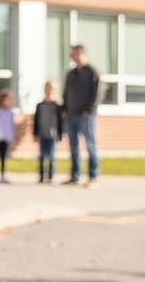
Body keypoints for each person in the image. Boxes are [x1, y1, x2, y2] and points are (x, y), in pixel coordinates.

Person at [62, 43, 102, 187]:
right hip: (71, 114)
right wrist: (64, 108)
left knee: (90, 145)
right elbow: (66, 93)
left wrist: (89, 109)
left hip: (86, 115)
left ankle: (93, 177)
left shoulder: (92, 71)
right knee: (73, 146)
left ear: (81, 53)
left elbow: (97, 93)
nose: (72, 56)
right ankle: (75, 176)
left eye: (73, 53)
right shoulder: (71, 73)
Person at [34, 80, 64, 184]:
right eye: (47, 88)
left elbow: (60, 121)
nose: (49, 91)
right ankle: (41, 176)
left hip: (52, 134)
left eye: (51, 89)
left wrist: (60, 134)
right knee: (42, 156)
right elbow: (36, 120)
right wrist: (35, 133)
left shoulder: (57, 106)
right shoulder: (40, 105)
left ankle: (50, 177)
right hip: (42, 133)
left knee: (51, 156)